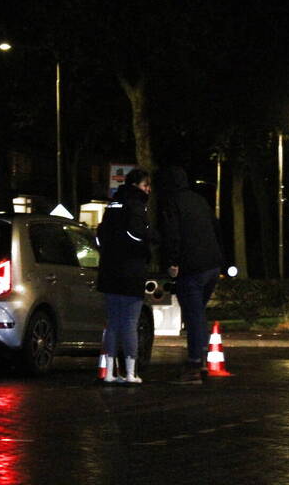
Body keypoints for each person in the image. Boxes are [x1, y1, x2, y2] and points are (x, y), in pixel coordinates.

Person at [158, 165, 225, 385]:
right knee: (198, 314)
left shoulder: (171, 203)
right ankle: (202, 359)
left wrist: (172, 262)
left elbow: (172, 234)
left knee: (194, 316)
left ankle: (195, 364)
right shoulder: (199, 200)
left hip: (191, 267)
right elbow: (216, 228)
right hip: (212, 265)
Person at [96, 168, 157, 383]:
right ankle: (131, 372)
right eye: (145, 185)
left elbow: (101, 235)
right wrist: (150, 241)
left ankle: (110, 373)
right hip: (131, 272)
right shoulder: (137, 205)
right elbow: (139, 235)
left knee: (113, 323)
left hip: (110, 271)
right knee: (130, 323)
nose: (147, 189)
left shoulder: (112, 204)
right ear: (136, 186)